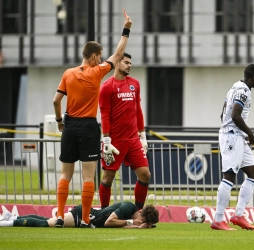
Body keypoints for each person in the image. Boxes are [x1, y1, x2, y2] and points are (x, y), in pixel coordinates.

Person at [52, 9, 132, 228]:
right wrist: (126, 29)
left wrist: (60, 121)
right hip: (88, 126)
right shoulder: (96, 72)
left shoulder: (68, 73)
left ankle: (59, 215)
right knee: (88, 177)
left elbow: (56, 100)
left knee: (65, 174)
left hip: (69, 125)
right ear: (96, 56)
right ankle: (86, 219)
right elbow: (117, 55)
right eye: (100, 56)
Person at [211, 64, 254, 231]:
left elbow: (223, 113)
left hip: (235, 136)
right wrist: (250, 133)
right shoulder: (243, 91)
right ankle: (218, 219)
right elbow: (235, 115)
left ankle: (238, 215)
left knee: (253, 174)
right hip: (233, 136)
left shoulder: (235, 86)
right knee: (229, 176)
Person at [98, 53, 150, 210]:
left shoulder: (135, 84)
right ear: (117, 63)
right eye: (126, 62)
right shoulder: (107, 87)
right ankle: (104, 213)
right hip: (114, 141)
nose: (129, 65)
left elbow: (138, 111)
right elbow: (104, 115)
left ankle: (138, 212)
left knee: (145, 174)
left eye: (130, 63)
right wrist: (106, 140)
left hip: (133, 140)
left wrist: (143, 136)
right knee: (108, 178)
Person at [0, 202, 159, 228]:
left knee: (49, 220)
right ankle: (7, 223)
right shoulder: (128, 207)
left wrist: (136, 227)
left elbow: (120, 226)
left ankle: (12, 218)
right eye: (142, 220)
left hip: (88, 216)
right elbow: (109, 222)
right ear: (140, 213)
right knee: (49, 224)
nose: (139, 222)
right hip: (83, 214)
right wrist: (132, 223)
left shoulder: (131, 215)